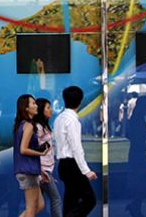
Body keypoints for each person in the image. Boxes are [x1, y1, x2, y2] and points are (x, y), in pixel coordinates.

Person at [53, 86, 96, 217]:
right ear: (80, 101)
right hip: (72, 165)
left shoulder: (59, 118)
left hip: (63, 164)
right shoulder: (72, 121)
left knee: (70, 200)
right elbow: (76, 147)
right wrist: (86, 171)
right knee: (90, 200)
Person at [13, 94, 48, 216]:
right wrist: (41, 152)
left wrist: (40, 170)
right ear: (26, 108)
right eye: (33, 103)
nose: (36, 106)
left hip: (29, 170)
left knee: (40, 205)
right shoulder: (28, 125)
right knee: (31, 208)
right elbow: (23, 149)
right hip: (28, 171)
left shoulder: (22, 124)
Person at [33, 98, 62, 217]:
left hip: (46, 169)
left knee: (37, 204)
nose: (51, 110)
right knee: (55, 199)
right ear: (41, 110)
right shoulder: (38, 128)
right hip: (42, 169)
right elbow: (32, 150)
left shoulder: (44, 126)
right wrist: (40, 171)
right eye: (48, 108)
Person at [125, 96, 146, 217]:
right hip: (138, 154)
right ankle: (135, 204)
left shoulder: (135, 118)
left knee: (141, 181)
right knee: (144, 180)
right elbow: (141, 135)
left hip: (137, 153)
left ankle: (136, 205)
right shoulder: (137, 119)